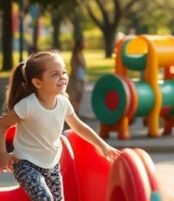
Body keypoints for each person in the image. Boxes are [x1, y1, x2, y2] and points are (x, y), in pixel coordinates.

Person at [0, 51, 120, 201]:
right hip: (25, 163)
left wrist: (103, 146)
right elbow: (2, 125)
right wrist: (3, 153)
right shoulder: (28, 105)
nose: (62, 77)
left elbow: (79, 127)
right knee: (45, 198)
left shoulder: (63, 102)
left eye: (64, 72)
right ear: (37, 83)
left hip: (52, 164)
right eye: (55, 74)